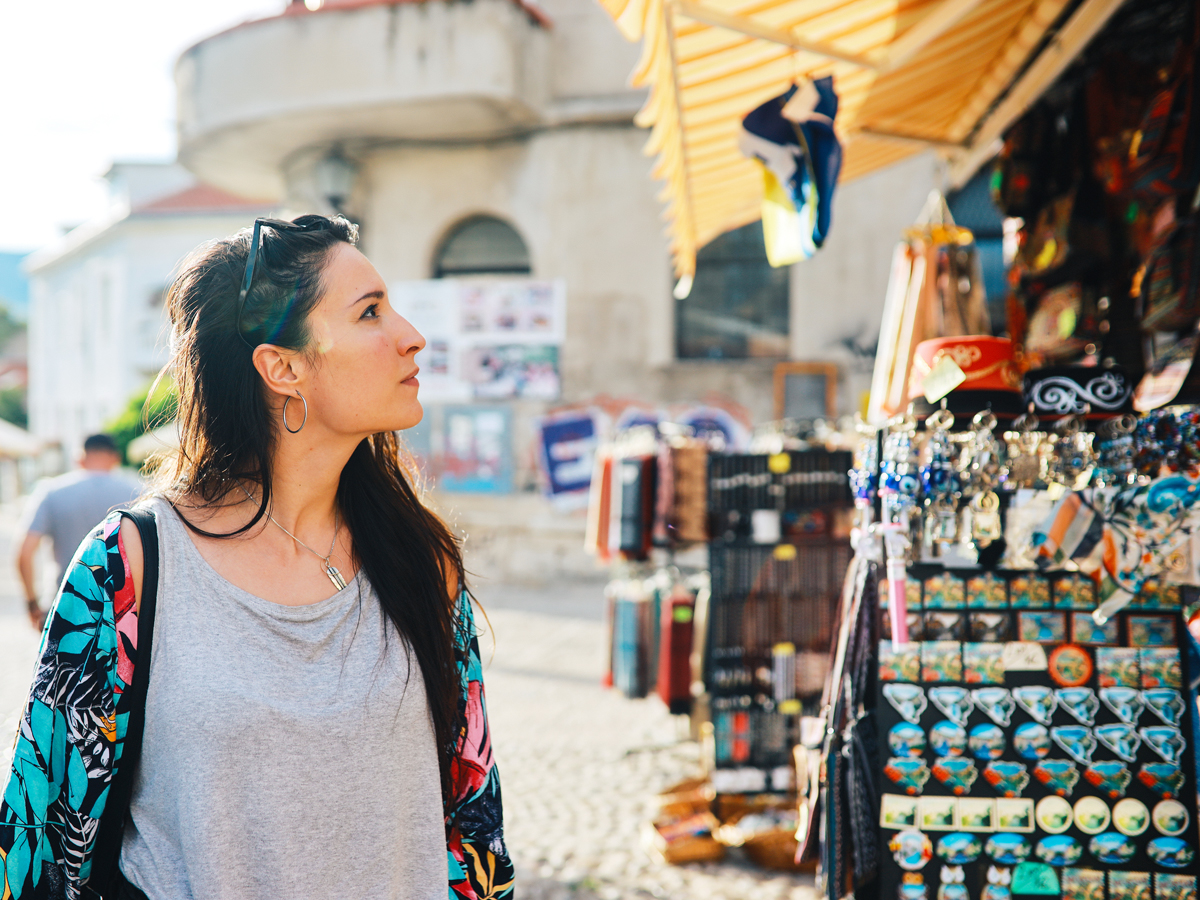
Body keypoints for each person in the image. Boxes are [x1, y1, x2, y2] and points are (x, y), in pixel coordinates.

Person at [0, 215, 511, 900]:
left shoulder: (423, 560)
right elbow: (38, 845)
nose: (411, 336)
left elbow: (474, 825)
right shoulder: (130, 567)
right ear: (284, 366)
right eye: (369, 312)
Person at [15, 432, 141, 630]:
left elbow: (24, 553)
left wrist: (32, 602)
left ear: (79, 458)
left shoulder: (51, 492)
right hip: (122, 613)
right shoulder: (138, 493)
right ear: (115, 458)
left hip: (64, 607)